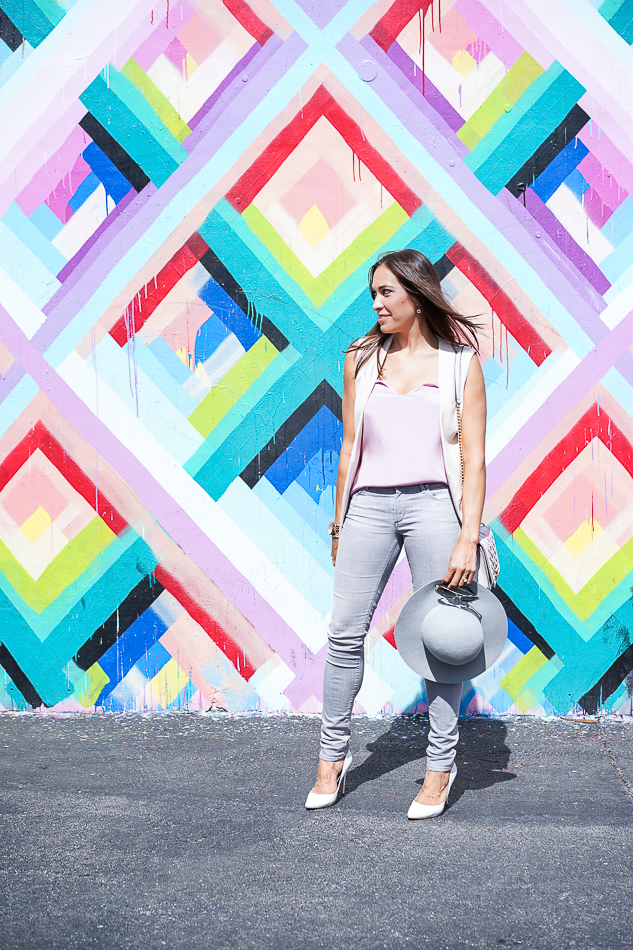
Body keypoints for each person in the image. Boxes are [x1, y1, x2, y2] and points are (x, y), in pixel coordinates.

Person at [305, 248, 486, 817]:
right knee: (343, 632)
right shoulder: (360, 358)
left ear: (417, 293)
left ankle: (439, 768)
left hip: (437, 506)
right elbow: (350, 448)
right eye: (374, 294)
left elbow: (475, 462)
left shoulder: (460, 364)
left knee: (442, 641)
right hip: (369, 507)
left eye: (387, 292)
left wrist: (467, 538)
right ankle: (331, 758)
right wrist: (339, 520)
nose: (377, 304)